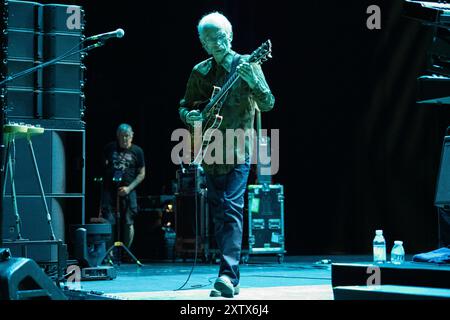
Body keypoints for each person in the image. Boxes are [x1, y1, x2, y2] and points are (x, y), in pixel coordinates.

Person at [179, 12, 275, 297]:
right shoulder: (199, 72)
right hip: (210, 151)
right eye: (209, 38)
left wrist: (254, 82)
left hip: (238, 149)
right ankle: (231, 277)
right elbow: (185, 105)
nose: (215, 42)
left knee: (232, 209)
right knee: (220, 215)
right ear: (202, 43)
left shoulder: (247, 64)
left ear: (230, 36)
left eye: (220, 36)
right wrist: (191, 115)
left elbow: (268, 103)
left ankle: (227, 275)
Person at [101, 123, 146, 256]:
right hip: (110, 190)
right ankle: (109, 254)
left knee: (128, 222)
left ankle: (127, 253)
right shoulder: (109, 148)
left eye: (127, 136)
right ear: (117, 136)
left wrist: (128, 188)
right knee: (109, 220)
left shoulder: (137, 151)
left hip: (128, 190)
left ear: (132, 136)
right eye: (122, 136)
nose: (125, 139)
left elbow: (142, 174)